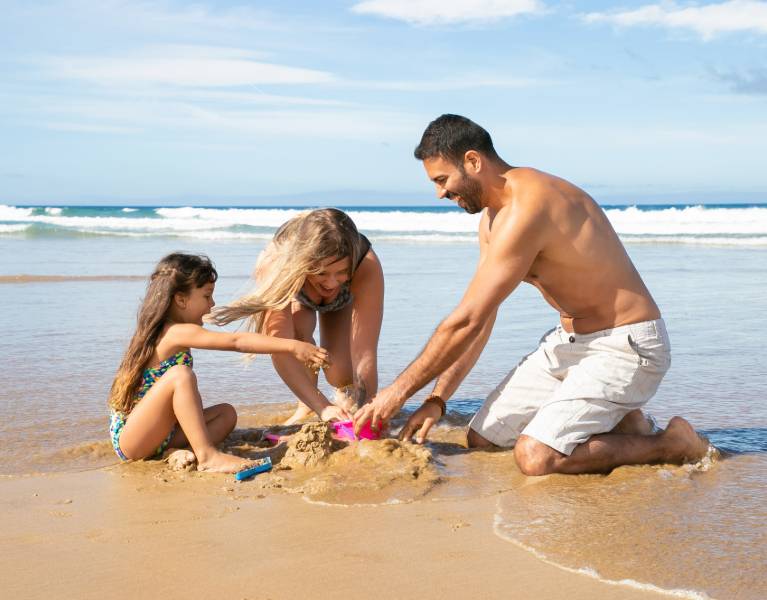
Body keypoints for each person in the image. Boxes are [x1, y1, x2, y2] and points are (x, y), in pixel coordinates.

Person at [354, 114, 709, 475]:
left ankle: (673, 443)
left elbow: (465, 321)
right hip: (571, 344)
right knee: (483, 439)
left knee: (535, 456)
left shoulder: (530, 206)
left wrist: (397, 393)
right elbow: (481, 317)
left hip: (626, 346)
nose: (440, 193)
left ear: (473, 161)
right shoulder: (492, 220)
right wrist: (436, 400)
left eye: (442, 180)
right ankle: (625, 421)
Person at [108, 252, 329, 473]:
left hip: (162, 435)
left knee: (226, 414)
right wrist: (292, 346)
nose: (212, 304)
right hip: (133, 440)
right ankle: (207, 457)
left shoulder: (172, 331)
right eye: (207, 296)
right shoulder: (174, 332)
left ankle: (180, 452)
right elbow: (236, 341)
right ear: (181, 299)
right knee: (180, 375)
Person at [211, 208, 384, 425]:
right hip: (296, 289)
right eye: (321, 272)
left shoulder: (365, 263)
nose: (331, 283)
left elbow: (365, 353)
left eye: (341, 272)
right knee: (299, 339)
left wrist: (366, 408)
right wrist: (323, 407)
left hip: (342, 300)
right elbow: (281, 348)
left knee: (339, 373)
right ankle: (306, 407)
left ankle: (342, 400)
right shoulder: (277, 263)